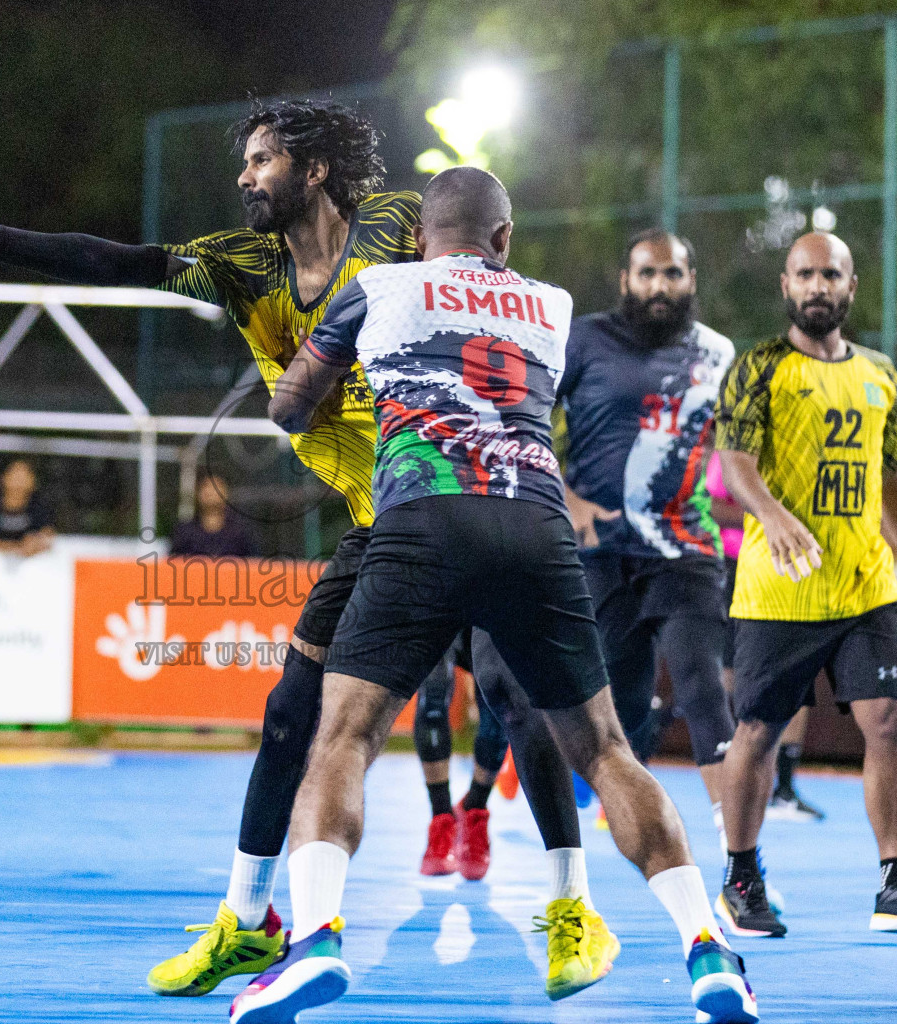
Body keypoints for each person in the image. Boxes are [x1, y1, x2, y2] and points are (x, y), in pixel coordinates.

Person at [0, 99, 609, 1000]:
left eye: (261, 160)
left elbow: (494, 290)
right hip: (384, 525)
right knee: (291, 713)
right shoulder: (242, 267)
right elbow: (124, 262)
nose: (245, 177)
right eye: (245, 162)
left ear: (315, 169)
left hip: (471, 493)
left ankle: (571, 911)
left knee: (515, 700)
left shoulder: (402, 226)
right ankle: (248, 927)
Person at [240, 166, 756, 1024]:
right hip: (536, 527)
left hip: (422, 520)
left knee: (345, 737)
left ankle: (314, 939)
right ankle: (709, 951)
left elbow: (290, 410)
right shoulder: (551, 307)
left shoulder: (381, 285)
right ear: (505, 240)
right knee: (604, 749)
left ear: (416, 238)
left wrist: (334, 368)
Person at [714, 231, 897, 938]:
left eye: (832, 275)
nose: (818, 286)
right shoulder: (757, 367)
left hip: (864, 584)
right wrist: (773, 515)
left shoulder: (879, 372)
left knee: (892, 720)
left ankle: (896, 885)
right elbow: (735, 462)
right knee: (755, 731)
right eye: (806, 274)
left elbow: (895, 469)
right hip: (778, 588)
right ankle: (743, 877)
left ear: (851, 287)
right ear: (787, 286)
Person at [557, 228, 738, 851]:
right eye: (647, 274)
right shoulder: (583, 338)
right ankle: (589, 778)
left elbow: (739, 452)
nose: (660, 286)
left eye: (673, 274)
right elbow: (520, 417)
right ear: (625, 281)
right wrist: (568, 497)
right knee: (624, 700)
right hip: (602, 549)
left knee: (700, 681)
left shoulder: (718, 353)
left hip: (685, 548)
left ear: (691, 281)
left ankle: (740, 858)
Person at [708, 453, 825, 823]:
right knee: (726, 679)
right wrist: (770, 519)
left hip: (788, 568)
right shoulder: (734, 445)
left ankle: (785, 789)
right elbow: (709, 504)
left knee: (798, 676)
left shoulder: (801, 448)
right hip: (736, 568)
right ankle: (672, 733)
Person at [413, 630, 506, 881]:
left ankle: (474, 807)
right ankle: (441, 818)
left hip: (493, 594)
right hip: (438, 592)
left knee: (499, 694)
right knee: (433, 690)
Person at [0, 459, 56, 555]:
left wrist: (36, 542)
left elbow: (47, 535)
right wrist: (14, 548)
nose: (19, 482)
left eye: (24, 477)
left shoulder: (40, 506)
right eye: (15, 475)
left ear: (33, 481)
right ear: (4, 478)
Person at [170, 473, 258, 557]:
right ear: (198, 493)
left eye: (216, 486)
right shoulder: (184, 531)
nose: (210, 491)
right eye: (205, 486)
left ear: (226, 493)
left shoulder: (241, 532)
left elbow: (254, 565)